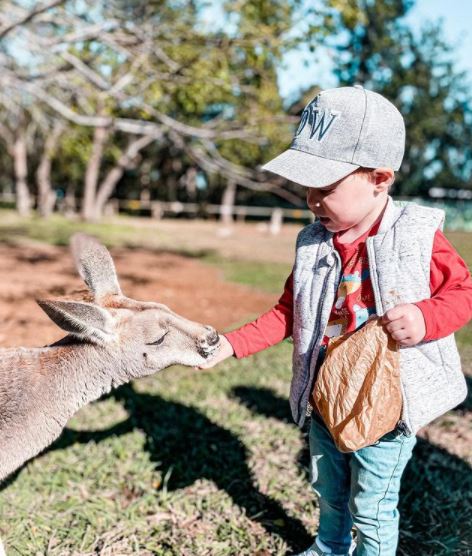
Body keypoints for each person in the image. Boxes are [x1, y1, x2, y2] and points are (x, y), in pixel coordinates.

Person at [198, 85, 472, 556]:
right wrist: (230, 345)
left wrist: (427, 317)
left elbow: (463, 293)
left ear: (379, 178)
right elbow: (289, 312)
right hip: (327, 394)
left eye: (325, 189)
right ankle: (330, 546)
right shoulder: (312, 244)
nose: (312, 200)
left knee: (372, 505)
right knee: (329, 489)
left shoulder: (417, 236)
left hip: (386, 403)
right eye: (307, 187)